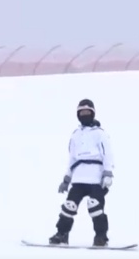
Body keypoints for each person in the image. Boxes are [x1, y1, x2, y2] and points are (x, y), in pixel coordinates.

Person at [49, 99, 114, 247]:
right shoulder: (76, 135)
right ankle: (62, 234)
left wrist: (108, 173)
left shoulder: (100, 134)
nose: (84, 115)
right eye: (82, 113)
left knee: (95, 206)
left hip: (96, 177)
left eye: (87, 112)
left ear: (92, 113)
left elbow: (107, 154)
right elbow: (71, 157)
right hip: (78, 178)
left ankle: (101, 236)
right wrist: (67, 178)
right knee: (69, 206)